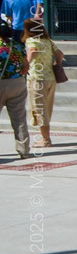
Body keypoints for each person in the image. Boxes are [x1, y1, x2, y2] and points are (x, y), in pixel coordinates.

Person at [23, 18, 62, 149]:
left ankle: (45, 139)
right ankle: (45, 136)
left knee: (39, 108)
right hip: (51, 77)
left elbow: (32, 51)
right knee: (47, 107)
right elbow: (60, 54)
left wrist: (26, 65)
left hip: (37, 78)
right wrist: (57, 64)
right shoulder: (47, 41)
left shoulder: (31, 40)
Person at [0, 16, 30, 159]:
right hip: (17, 83)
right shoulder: (17, 45)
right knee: (19, 119)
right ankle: (23, 149)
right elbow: (26, 65)